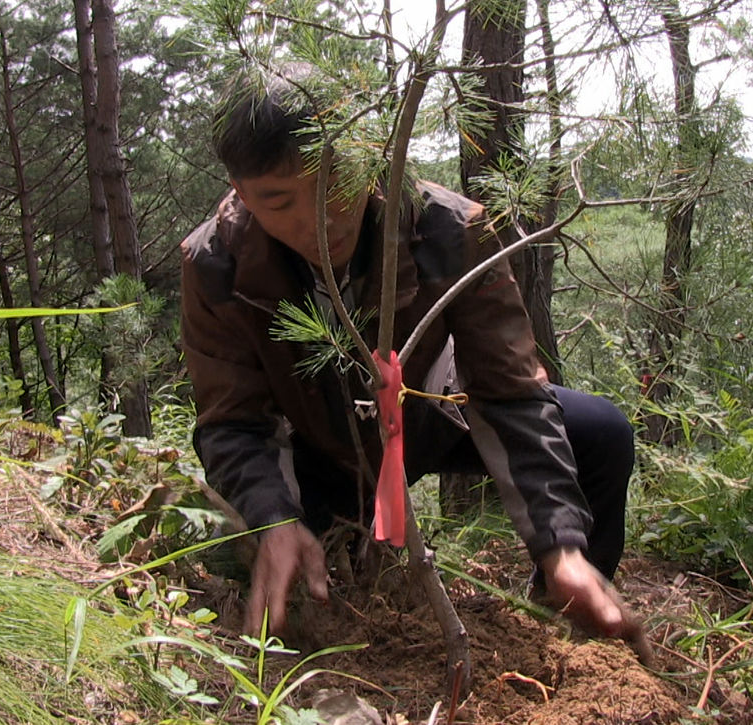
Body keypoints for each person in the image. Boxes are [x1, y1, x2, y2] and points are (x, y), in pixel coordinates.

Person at [179, 62, 636, 640]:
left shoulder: (449, 229)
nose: (319, 219)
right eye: (280, 201)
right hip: (318, 451)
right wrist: (272, 517)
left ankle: (569, 618)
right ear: (241, 192)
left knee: (601, 434)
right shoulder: (215, 264)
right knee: (302, 593)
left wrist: (561, 545)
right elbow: (233, 422)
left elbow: (510, 394)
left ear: (368, 153)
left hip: (433, 412)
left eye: (334, 180)